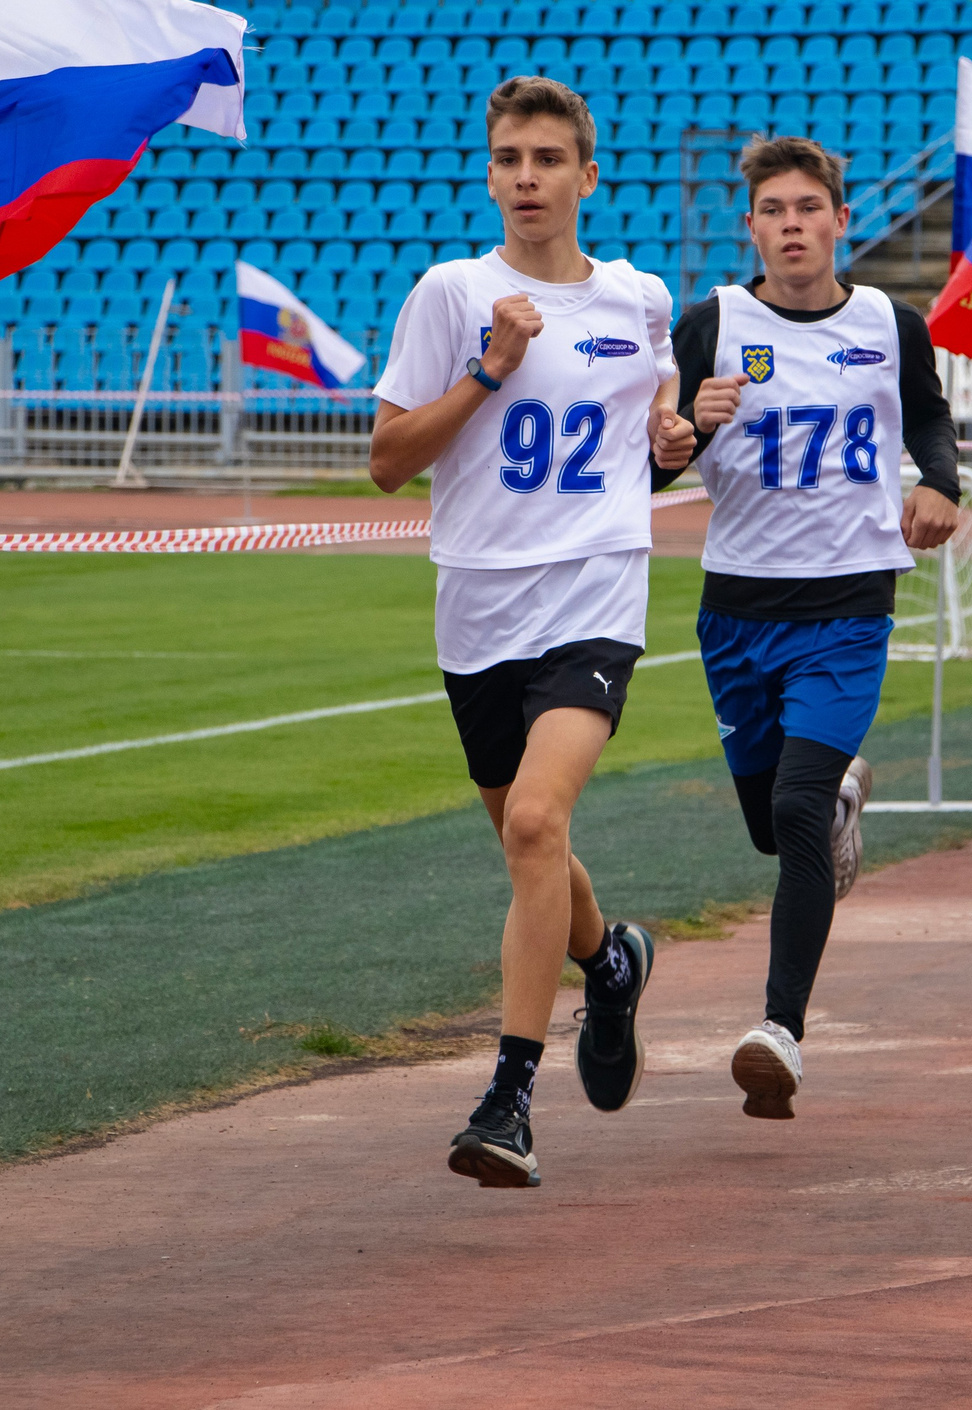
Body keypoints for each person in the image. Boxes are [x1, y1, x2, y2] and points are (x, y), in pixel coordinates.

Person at [370, 76, 698, 1188]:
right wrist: (487, 371)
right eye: (510, 158)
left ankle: (508, 1097)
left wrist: (670, 436)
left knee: (535, 821)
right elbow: (388, 462)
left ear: (586, 176)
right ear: (489, 173)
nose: (527, 177)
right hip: (477, 607)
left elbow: (657, 413)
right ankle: (610, 961)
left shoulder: (638, 297)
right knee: (529, 842)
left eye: (548, 159)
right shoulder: (452, 293)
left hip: (595, 593)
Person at [651, 136, 961, 1120]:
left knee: (792, 807)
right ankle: (838, 802)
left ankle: (779, 1029)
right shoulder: (711, 326)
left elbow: (928, 418)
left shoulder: (889, 324)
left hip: (848, 604)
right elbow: (653, 464)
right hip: (737, 610)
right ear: (751, 227)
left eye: (808, 208)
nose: (792, 225)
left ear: (839, 220)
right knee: (770, 828)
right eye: (774, 211)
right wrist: (688, 427)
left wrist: (942, 483)